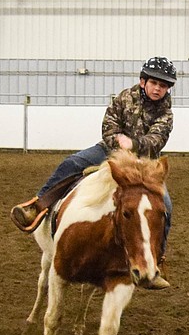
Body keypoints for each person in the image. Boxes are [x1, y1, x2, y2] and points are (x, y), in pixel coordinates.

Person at [10, 56, 177, 289]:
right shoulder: (123, 98)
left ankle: (157, 260)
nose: (159, 88)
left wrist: (133, 144)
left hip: (142, 163)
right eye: (155, 83)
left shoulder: (166, 114)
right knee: (72, 163)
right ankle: (37, 206)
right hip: (108, 151)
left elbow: (156, 140)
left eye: (164, 85)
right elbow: (109, 125)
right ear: (143, 81)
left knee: (165, 206)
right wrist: (118, 145)